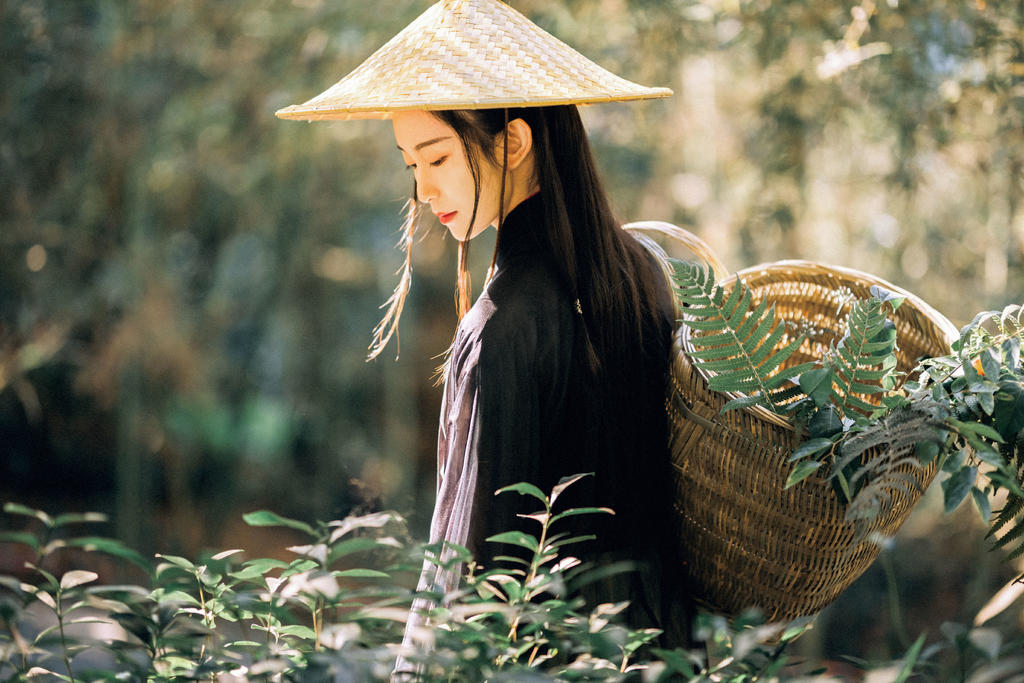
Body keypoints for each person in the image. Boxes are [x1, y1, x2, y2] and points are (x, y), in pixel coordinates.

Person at [276, 0, 693, 665]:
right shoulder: (645, 275)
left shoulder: (500, 330)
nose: (421, 189)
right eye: (410, 164)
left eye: (437, 157)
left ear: (514, 141)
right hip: (666, 654)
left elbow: (470, 581)